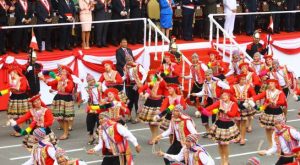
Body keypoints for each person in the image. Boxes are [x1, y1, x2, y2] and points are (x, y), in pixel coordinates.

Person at [198, 90, 240, 165]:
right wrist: (201, 109)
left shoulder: (233, 104)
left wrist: (225, 111)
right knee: (220, 144)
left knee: (225, 144)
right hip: (219, 123)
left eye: (225, 95)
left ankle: (226, 161)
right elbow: (209, 109)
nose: (223, 97)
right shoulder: (219, 102)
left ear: (229, 96)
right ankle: (222, 160)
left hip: (228, 124)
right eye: (222, 95)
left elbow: (233, 114)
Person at [191, 69, 230, 138]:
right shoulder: (205, 82)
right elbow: (203, 92)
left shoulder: (217, 81)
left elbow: (227, 87)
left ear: (211, 75)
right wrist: (196, 94)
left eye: (208, 75)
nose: (206, 76)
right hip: (208, 99)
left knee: (214, 116)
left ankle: (215, 132)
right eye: (206, 75)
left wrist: (222, 95)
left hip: (216, 100)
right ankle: (208, 130)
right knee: (204, 114)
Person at [250, 79, 287, 147]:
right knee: (268, 128)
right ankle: (271, 144)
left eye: (272, 83)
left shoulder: (280, 92)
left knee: (276, 129)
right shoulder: (266, 92)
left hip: (277, 112)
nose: (270, 85)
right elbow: (258, 96)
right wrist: (251, 99)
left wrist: (275, 102)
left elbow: (282, 101)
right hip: (268, 111)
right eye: (269, 83)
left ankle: (277, 143)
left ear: (275, 84)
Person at [42, 65, 75, 140]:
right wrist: (43, 79)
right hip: (59, 98)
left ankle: (65, 133)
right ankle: (66, 132)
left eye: (63, 72)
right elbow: (49, 84)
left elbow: (69, 89)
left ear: (67, 74)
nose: (61, 73)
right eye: (62, 71)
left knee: (65, 118)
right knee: (60, 118)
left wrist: (63, 82)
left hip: (66, 99)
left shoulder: (70, 81)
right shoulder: (58, 80)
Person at [138, 70, 167, 144]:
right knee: (150, 122)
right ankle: (154, 136)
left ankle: (154, 138)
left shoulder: (160, 83)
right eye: (150, 76)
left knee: (155, 122)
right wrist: (141, 93)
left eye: (153, 76)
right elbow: (141, 89)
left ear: (155, 77)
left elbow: (165, 86)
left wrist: (160, 78)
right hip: (149, 103)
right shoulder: (149, 84)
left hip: (158, 103)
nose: (151, 77)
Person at [230, 74, 256, 145]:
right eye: (242, 79)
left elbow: (254, 95)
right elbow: (230, 95)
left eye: (244, 79)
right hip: (236, 105)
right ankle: (238, 137)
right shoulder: (233, 87)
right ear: (239, 80)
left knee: (243, 122)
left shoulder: (249, 87)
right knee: (237, 122)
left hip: (245, 105)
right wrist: (235, 99)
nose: (243, 80)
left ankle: (242, 138)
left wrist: (250, 99)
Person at [7, 66, 31, 137]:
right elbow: (10, 88)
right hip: (14, 96)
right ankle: (16, 130)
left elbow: (23, 88)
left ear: (15, 72)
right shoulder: (13, 80)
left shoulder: (22, 79)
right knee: (15, 115)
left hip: (21, 97)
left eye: (11, 73)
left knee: (20, 115)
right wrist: (12, 89)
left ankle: (19, 131)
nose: (11, 75)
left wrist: (16, 88)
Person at [123, 55, 147, 123]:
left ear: (132, 60)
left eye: (130, 60)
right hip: (129, 85)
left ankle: (137, 117)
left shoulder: (138, 66)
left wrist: (141, 82)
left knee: (137, 101)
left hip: (137, 84)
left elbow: (145, 74)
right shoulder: (125, 67)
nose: (129, 61)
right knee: (129, 101)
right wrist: (119, 79)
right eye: (127, 60)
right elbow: (125, 76)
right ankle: (129, 116)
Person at [85, 73, 102, 145]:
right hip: (92, 106)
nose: (91, 81)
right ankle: (91, 137)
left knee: (100, 122)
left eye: (92, 79)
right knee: (89, 122)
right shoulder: (87, 88)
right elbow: (86, 96)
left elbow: (105, 90)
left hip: (100, 106)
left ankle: (100, 139)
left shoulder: (99, 84)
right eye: (89, 81)